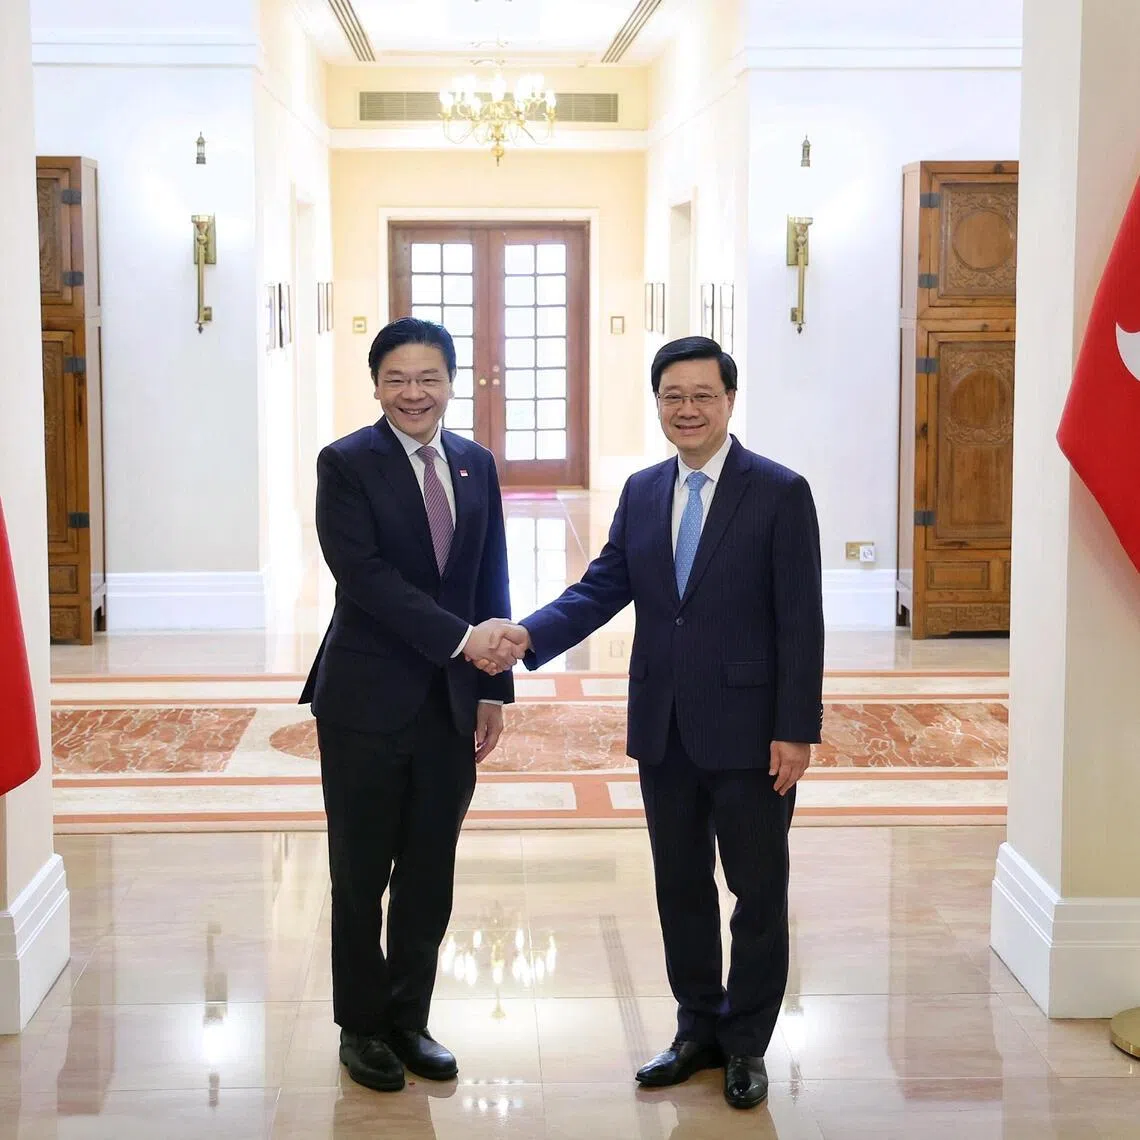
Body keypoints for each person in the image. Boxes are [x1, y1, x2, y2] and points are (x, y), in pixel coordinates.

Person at [472, 336, 824, 1110]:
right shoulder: (640, 491)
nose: (687, 409)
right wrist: (527, 635)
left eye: (703, 394)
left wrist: (796, 728)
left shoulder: (778, 491)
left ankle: (746, 1045)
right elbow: (601, 588)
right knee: (679, 886)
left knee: (757, 892)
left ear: (730, 401)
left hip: (751, 730)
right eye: (673, 395)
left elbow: (801, 620)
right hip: (663, 727)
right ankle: (697, 1027)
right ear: (658, 402)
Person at [300, 317, 520, 1094]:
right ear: (376, 385)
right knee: (362, 873)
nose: (413, 393)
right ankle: (360, 1027)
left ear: (453, 383)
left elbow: (490, 573)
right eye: (398, 378)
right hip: (364, 699)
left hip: (451, 705)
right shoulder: (347, 464)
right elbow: (362, 577)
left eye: (428, 378)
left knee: (430, 869)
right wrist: (465, 641)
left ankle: (408, 1017)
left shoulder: (475, 464)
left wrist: (492, 687)